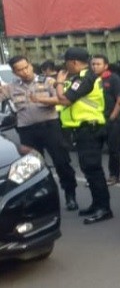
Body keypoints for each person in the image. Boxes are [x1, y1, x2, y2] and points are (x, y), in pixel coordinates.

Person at [1, 56, 78, 211]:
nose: (25, 72)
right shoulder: (11, 87)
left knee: (62, 162)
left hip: (50, 127)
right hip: (27, 131)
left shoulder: (48, 81)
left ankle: (70, 195)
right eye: (20, 70)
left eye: (26, 67)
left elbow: (61, 99)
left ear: (31, 65)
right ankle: (37, 201)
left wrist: (41, 100)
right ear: (15, 72)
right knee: (30, 167)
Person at [54, 47, 113, 224]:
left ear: (73, 62)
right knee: (88, 168)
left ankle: (104, 208)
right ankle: (97, 204)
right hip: (84, 129)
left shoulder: (85, 78)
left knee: (93, 169)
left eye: (66, 63)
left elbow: (64, 100)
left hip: (90, 128)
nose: (66, 67)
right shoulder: (84, 77)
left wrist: (58, 83)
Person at [91, 55, 120, 185]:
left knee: (113, 150)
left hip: (111, 120)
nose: (95, 66)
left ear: (106, 65)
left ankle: (114, 175)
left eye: (98, 64)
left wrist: (112, 117)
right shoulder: (90, 79)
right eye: (93, 64)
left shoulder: (113, 79)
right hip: (95, 120)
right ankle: (96, 177)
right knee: (94, 151)